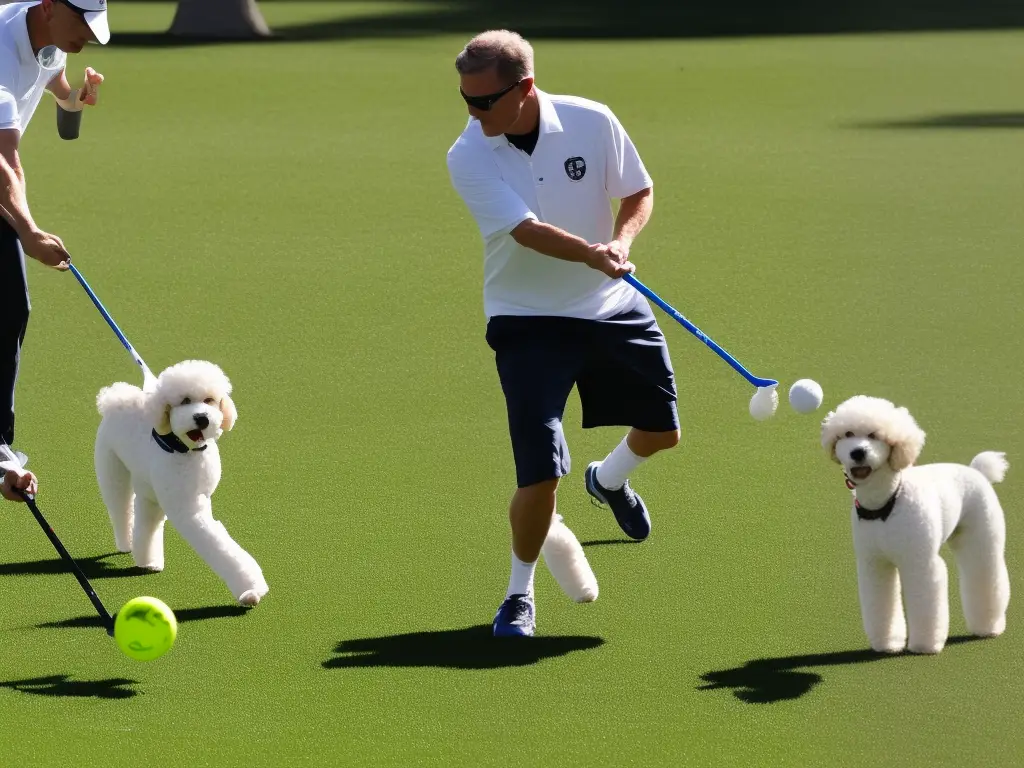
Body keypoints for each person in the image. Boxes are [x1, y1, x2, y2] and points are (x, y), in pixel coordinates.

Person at [446, 30, 681, 638]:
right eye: (465, 99)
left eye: (483, 102)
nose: (472, 113)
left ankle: (606, 480)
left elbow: (637, 190)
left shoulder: (590, 121)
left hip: (610, 305)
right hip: (526, 317)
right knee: (538, 471)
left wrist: (622, 244)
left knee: (662, 432)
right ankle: (517, 597)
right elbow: (526, 233)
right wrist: (593, 253)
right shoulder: (468, 153)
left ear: (524, 87)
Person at [0, 0, 109, 454]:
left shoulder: (51, 39)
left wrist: (74, 100)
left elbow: (58, 95)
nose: (88, 35)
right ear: (49, 6)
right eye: (83, 22)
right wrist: (28, 232)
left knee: (9, 308)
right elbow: (4, 162)